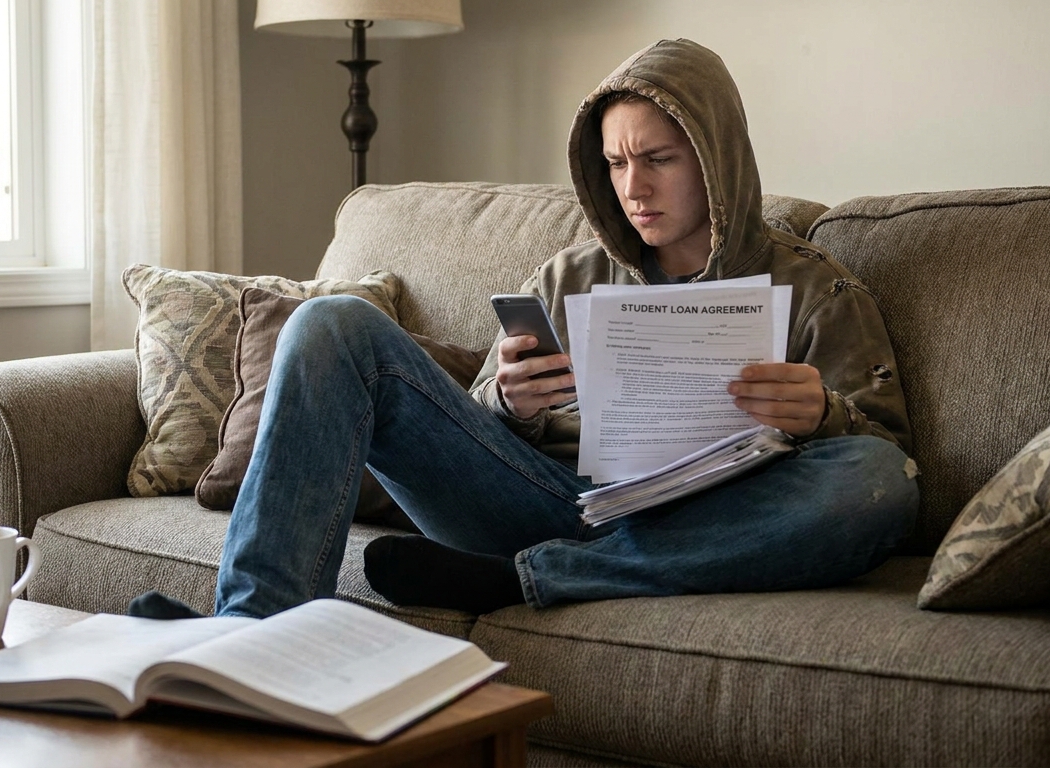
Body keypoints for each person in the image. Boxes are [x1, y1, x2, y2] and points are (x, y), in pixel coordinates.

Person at [135, 39, 919, 621]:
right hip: (544, 497)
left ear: (717, 159)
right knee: (330, 323)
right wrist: (508, 404)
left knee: (874, 486)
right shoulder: (568, 275)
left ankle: (532, 580)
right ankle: (247, 632)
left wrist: (823, 414)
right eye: (614, 163)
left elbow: (891, 458)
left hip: (718, 518)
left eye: (659, 159)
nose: (633, 187)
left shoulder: (816, 287)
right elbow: (467, 433)